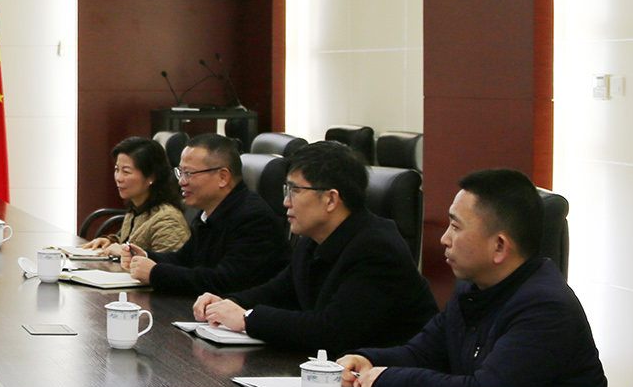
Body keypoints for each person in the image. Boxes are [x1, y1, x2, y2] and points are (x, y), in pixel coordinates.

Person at [338, 168, 631, 387]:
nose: (444, 238)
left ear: (500, 246)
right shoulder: (475, 288)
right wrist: (366, 360)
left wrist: (388, 380)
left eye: (455, 227)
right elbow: (422, 352)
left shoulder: (546, 307)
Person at [192, 141, 437, 355]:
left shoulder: (377, 249)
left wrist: (247, 319)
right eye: (286, 190)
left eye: (295, 191)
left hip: (387, 380)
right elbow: (279, 291)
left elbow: (332, 330)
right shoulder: (313, 238)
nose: (285, 201)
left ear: (331, 199)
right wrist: (227, 303)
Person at [119, 133, 286, 297]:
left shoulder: (253, 218)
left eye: (189, 173)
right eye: (180, 172)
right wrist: (146, 256)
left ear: (223, 177)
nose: (181, 181)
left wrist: (155, 273)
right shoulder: (211, 211)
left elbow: (225, 281)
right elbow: (185, 259)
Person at [84, 136, 190, 253]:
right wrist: (111, 241)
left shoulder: (167, 221)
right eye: (117, 169)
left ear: (151, 177)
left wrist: (125, 253)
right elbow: (136, 241)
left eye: (126, 172)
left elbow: (165, 263)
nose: (118, 178)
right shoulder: (137, 208)